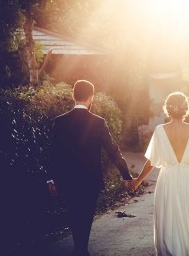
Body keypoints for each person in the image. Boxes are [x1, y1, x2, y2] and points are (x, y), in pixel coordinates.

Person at [47, 80, 133, 256]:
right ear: (91, 97)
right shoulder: (98, 122)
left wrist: (51, 178)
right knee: (86, 214)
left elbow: (53, 153)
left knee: (73, 212)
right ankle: (81, 249)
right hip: (90, 179)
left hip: (68, 179)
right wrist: (126, 175)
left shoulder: (60, 121)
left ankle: (79, 248)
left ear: (73, 95)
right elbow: (113, 150)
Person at [132, 91, 189, 256]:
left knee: (168, 220)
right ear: (186, 109)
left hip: (168, 179)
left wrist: (137, 181)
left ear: (167, 109)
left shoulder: (160, 130)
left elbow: (151, 162)